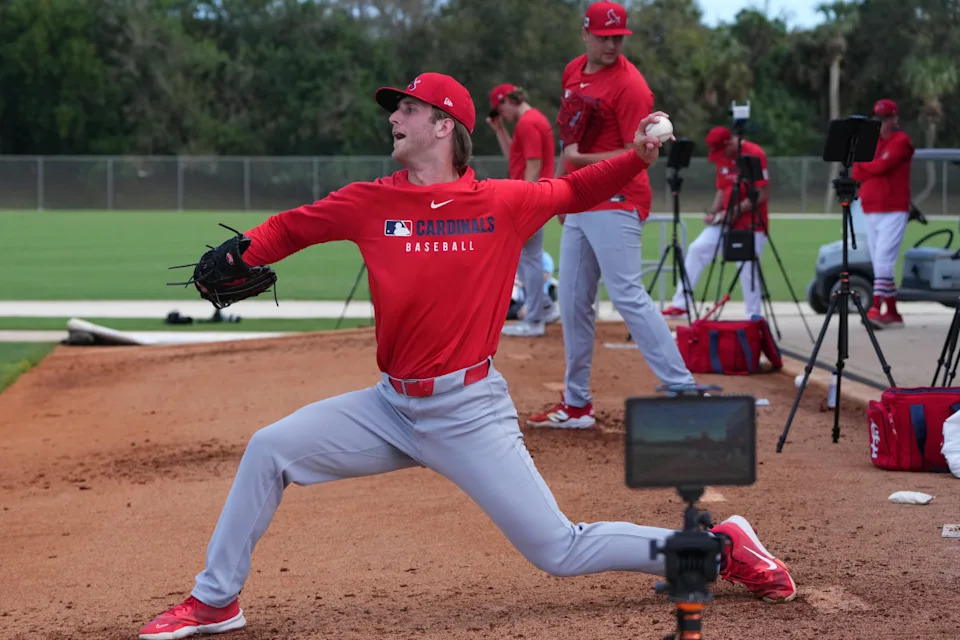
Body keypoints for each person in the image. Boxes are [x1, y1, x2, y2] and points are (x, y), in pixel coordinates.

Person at [137, 72, 796, 639]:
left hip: (467, 411)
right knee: (269, 449)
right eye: (396, 109)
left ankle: (716, 548)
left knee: (558, 550)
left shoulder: (501, 203)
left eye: (408, 108)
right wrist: (244, 251)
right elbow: (293, 226)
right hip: (389, 407)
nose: (394, 117)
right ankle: (216, 598)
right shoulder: (371, 201)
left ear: (445, 126)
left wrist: (639, 154)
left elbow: (574, 191)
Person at [528, 1, 696, 430]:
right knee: (571, 302)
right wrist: (564, 189)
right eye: (603, 36)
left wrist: (579, 160)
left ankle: (683, 391)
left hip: (619, 196)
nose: (611, 43)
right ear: (585, 34)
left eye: (618, 36)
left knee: (626, 295)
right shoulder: (573, 71)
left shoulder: (631, 86)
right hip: (581, 197)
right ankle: (577, 405)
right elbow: (569, 135)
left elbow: (639, 154)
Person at [660, 126, 771, 320]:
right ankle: (681, 304)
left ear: (730, 143)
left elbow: (761, 193)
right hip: (725, 221)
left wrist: (735, 211)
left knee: (747, 266)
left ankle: (753, 314)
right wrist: (713, 212)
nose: (720, 156)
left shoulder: (754, 153)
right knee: (697, 248)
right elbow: (721, 188)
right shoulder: (722, 158)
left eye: (721, 151)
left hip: (750, 223)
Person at [487, 83, 562, 336]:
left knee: (528, 259)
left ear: (508, 100)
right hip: (539, 195)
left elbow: (533, 165)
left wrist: (525, 203)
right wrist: (500, 131)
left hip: (534, 197)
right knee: (524, 258)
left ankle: (534, 320)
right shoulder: (530, 121)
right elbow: (516, 159)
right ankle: (545, 308)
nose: (501, 115)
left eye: (500, 108)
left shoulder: (529, 123)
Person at [853, 98, 914, 329]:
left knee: (884, 261)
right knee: (879, 260)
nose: (880, 124)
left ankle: (876, 308)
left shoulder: (901, 141)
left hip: (893, 208)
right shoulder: (872, 141)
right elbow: (858, 171)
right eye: (878, 119)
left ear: (894, 119)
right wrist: (870, 165)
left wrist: (869, 165)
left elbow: (881, 167)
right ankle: (893, 312)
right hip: (871, 206)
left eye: (884, 119)